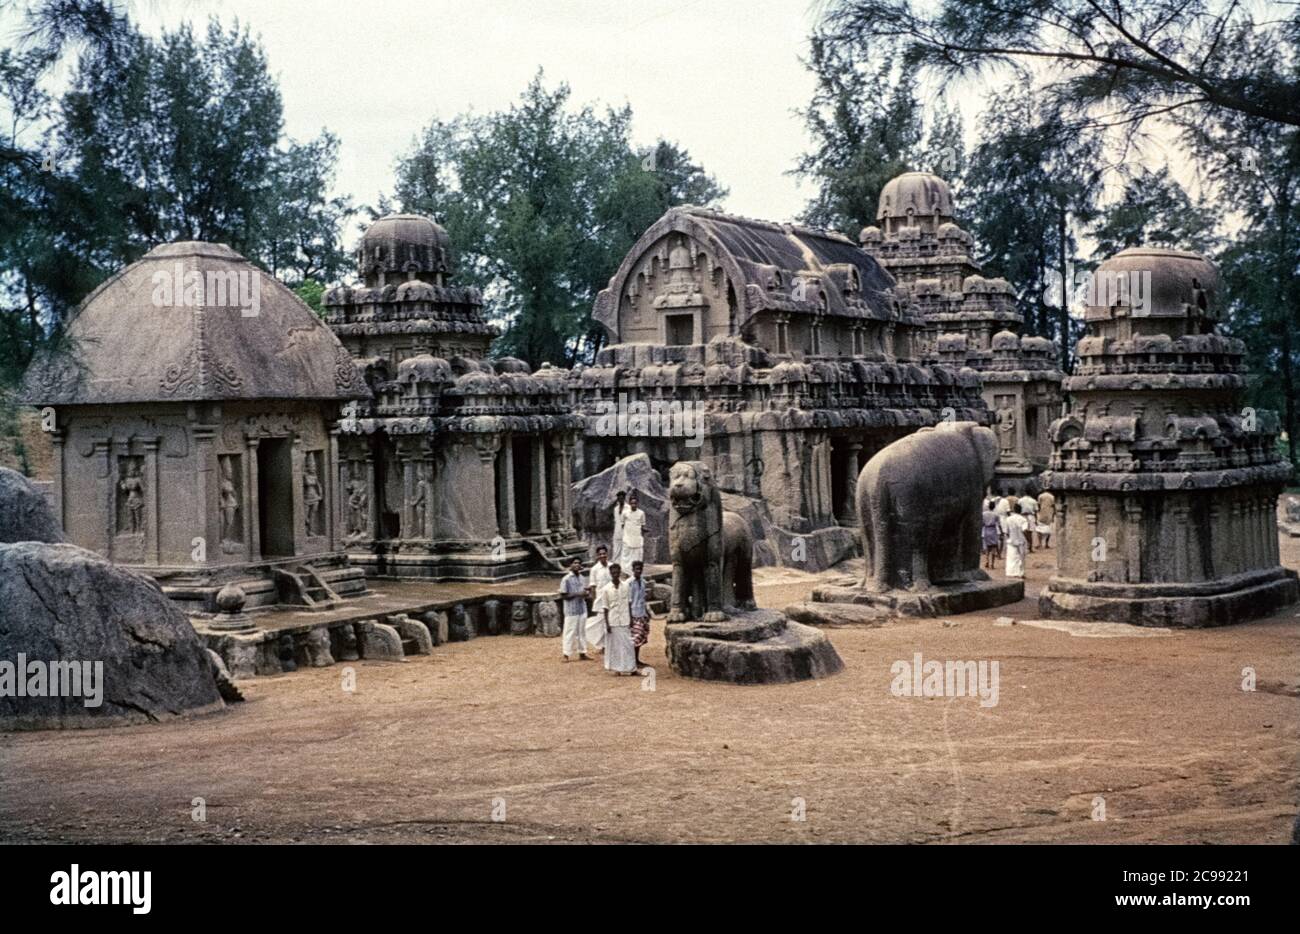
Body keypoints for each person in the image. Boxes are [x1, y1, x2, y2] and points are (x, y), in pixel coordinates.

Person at [599, 563, 637, 675]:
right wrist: (607, 624)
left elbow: (629, 603)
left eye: (617, 572)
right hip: (613, 620)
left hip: (625, 619)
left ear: (620, 572)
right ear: (610, 574)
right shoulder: (606, 589)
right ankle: (617, 669)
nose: (615, 575)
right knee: (615, 646)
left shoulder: (626, 586)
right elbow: (605, 608)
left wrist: (631, 618)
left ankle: (632, 668)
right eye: (613, 573)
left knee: (628, 645)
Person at [558, 558, 591, 662]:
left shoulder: (582, 578)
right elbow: (563, 595)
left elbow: (584, 592)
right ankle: (566, 654)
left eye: (579, 563)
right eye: (575, 563)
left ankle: (582, 652)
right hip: (571, 609)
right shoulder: (566, 579)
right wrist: (578, 594)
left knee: (582, 632)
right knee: (569, 632)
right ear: (571, 565)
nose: (577, 565)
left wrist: (586, 593)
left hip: (582, 608)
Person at [585, 545, 612, 651]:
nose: (602, 556)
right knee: (602, 622)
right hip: (600, 599)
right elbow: (593, 586)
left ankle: (610, 644)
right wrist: (594, 601)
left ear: (607, 554)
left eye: (604, 553)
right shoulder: (594, 569)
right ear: (597, 556)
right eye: (600, 554)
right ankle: (604, 645)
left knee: (611, 620)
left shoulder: (612, 566)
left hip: (612, 597)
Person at [628, 561, 650, 667]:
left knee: (640, 637)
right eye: (636, 569)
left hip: (642, 613)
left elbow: (643, 598)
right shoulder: (629, 583)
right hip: (633, 613)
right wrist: (629, 617)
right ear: (633, 570)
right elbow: (628, 601)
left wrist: (647, 612)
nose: (639, 571)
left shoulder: (643, 581)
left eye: (640, 569)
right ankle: (633, 660)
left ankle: (636, 659)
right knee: (634, 638)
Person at [1003, 504, 1030, 579]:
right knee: (1021, 557)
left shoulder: (1008, 519)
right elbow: (1025, 530)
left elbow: (1006, 531)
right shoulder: (1023, 519)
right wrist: (1028, 539)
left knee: (1011, 557)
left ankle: (1011, 572)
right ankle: (1020, 573)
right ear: (1021, 511)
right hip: (1021, 540)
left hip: (1011, 540)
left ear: (1014, 510)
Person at [620, 491, 646, 567]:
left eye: (635, 503)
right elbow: (622, 524)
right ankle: (626, 571)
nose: (633, 505)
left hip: (637, 538)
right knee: (626, 554)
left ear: (637, 503)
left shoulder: (641, 513)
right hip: (628, 538)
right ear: (629, 503)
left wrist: (643, 532)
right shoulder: (625, 513)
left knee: (638, 554)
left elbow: (642, 526)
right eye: (632, 503)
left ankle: (637, 570)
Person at [981, 501, 1002, 569]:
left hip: (986, 530)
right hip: (993, 530)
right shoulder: (996, 515)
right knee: (994, 548)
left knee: (987, 547)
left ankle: (987, 561)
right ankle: (992, 564)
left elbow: (982, 523)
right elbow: (999, 524)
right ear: (994, 507)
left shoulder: (984, 514)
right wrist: (1001, 532)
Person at [610, 491, 627, 563]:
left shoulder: (628, 508)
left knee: (625, 548)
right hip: (617, 531)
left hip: (626, 531)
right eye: (619, 498)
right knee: (616, 548)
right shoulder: (615, 509)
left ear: (624, 498)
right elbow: (616, 520)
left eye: (622, 498)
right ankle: (616, 563)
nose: (620, 500)